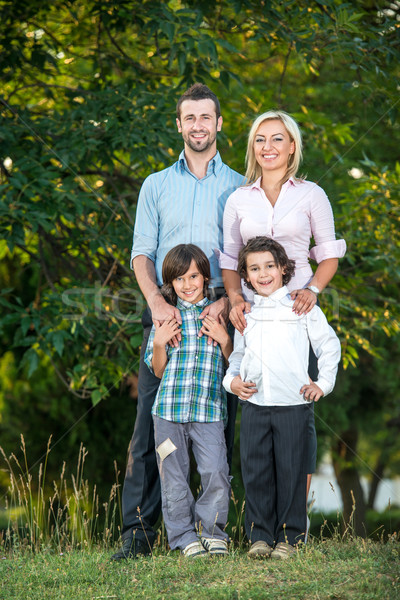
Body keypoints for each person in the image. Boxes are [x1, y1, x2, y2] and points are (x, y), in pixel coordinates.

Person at [111, 83, 245, 560]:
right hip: (167, 311)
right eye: (189, 118)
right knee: (153, 421)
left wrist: (228, 302)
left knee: (219, 424)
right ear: (179, 124)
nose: (198, 126)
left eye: (206, 117)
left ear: (219, 123)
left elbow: (244, 255)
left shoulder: (239, 186)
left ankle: (216, 531)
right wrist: (156, 303)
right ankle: (140, 533)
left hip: (217, 311)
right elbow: (142, 253)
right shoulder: (155, 184)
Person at [218, 110, 346, 498]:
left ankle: (296, 516)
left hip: (297, 313)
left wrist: (314, 291)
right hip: (254, 312)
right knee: (257, 403)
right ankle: (261, 520)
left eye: (277, 139)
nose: (268, 147)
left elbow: (328, 254)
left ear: (292, 147)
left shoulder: (312, 195)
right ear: (252, 148)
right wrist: (236, 298)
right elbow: (228, 259)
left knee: (297, 410)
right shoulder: (238, 199)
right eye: (260, 139)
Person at [223, 236, 341, 559]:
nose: (263, 274)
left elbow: (329, 346)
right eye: (254, 269)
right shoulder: (245, 313)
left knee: (291, 472)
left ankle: (290, 538)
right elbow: (237, 358)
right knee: (256, 473)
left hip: (293, 405)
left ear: (284, 268)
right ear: (245, 277)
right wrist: (231, 382)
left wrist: (323, 383)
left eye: (269, 266)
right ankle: (260, 537)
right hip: (255, 406)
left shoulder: (300, 306)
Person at [144, 244, 232, 558]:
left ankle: (213, 533)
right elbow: (157, 370)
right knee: (174, 477)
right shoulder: (168, 318)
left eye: (193, 276)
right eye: (180, 279)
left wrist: (225, 341)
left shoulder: (218, 314)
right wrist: (158, 343)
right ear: (170, 283)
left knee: (215, 470)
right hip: (168, 413)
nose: (188, 284)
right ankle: (183, 537)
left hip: (209, 412)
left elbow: (236, 365)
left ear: (206, 276)